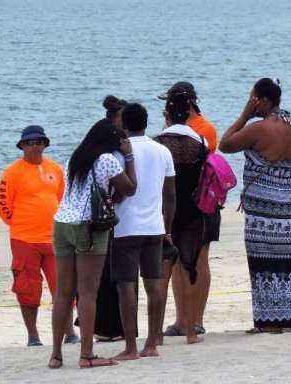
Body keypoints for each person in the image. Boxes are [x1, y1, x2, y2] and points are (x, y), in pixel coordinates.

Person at [219, 78, 291, 333]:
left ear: (263, 100)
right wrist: (289, 188)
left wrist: (244, 114)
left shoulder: (258, 128)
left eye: (252, 98)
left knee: (264, 264)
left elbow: (225, 144)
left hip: (263, 212)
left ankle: (271, 323)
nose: (251, 103)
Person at [49, 118, 137, 368]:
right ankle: (86, 355)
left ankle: (56, 355)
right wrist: (129, 157)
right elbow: (130, 189)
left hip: (61, 223)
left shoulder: (74, 158)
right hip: (89, 226)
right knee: (88, 292)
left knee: (63, 292)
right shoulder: (107, 160)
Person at [0, 126, 78, 347]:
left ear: (45, 144)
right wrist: (20, 224)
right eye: (30, 142)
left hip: (55, 238)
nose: (35, 146)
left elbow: (64, 200)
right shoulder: (12, 172)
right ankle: (33, 336)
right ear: (22, 145)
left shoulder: (55, 169)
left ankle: (70, 333)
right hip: (24, 240)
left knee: (63, 286)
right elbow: (3, 205)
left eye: (39, 141)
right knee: (27, 289)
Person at [110, 103, 175, 360]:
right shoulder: (162, 151)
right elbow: (170, 194)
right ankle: (151, 344)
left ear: (123, 124)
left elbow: (114, 190)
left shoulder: (119, 152)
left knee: (126, 287)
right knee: (154, 283)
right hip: (154, 227)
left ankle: (130, 347)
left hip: (125, 226)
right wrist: (167, 228)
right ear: (146, 123)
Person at [157, 82, 220, 338]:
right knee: (180, 264)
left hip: (188, 204)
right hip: (188, 204)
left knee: (191, 262)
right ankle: (183, 321)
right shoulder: (192, 136)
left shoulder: (201, 130)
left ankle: (195, 320)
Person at [91, 95, 139, 342]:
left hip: (115, 218)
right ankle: (108, 328)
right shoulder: (112, 149)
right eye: (123, 118)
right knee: (111, 275)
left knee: (115, 275)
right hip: (110, 218)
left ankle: (113, 328)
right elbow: (125, 188)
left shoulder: (116, 145)